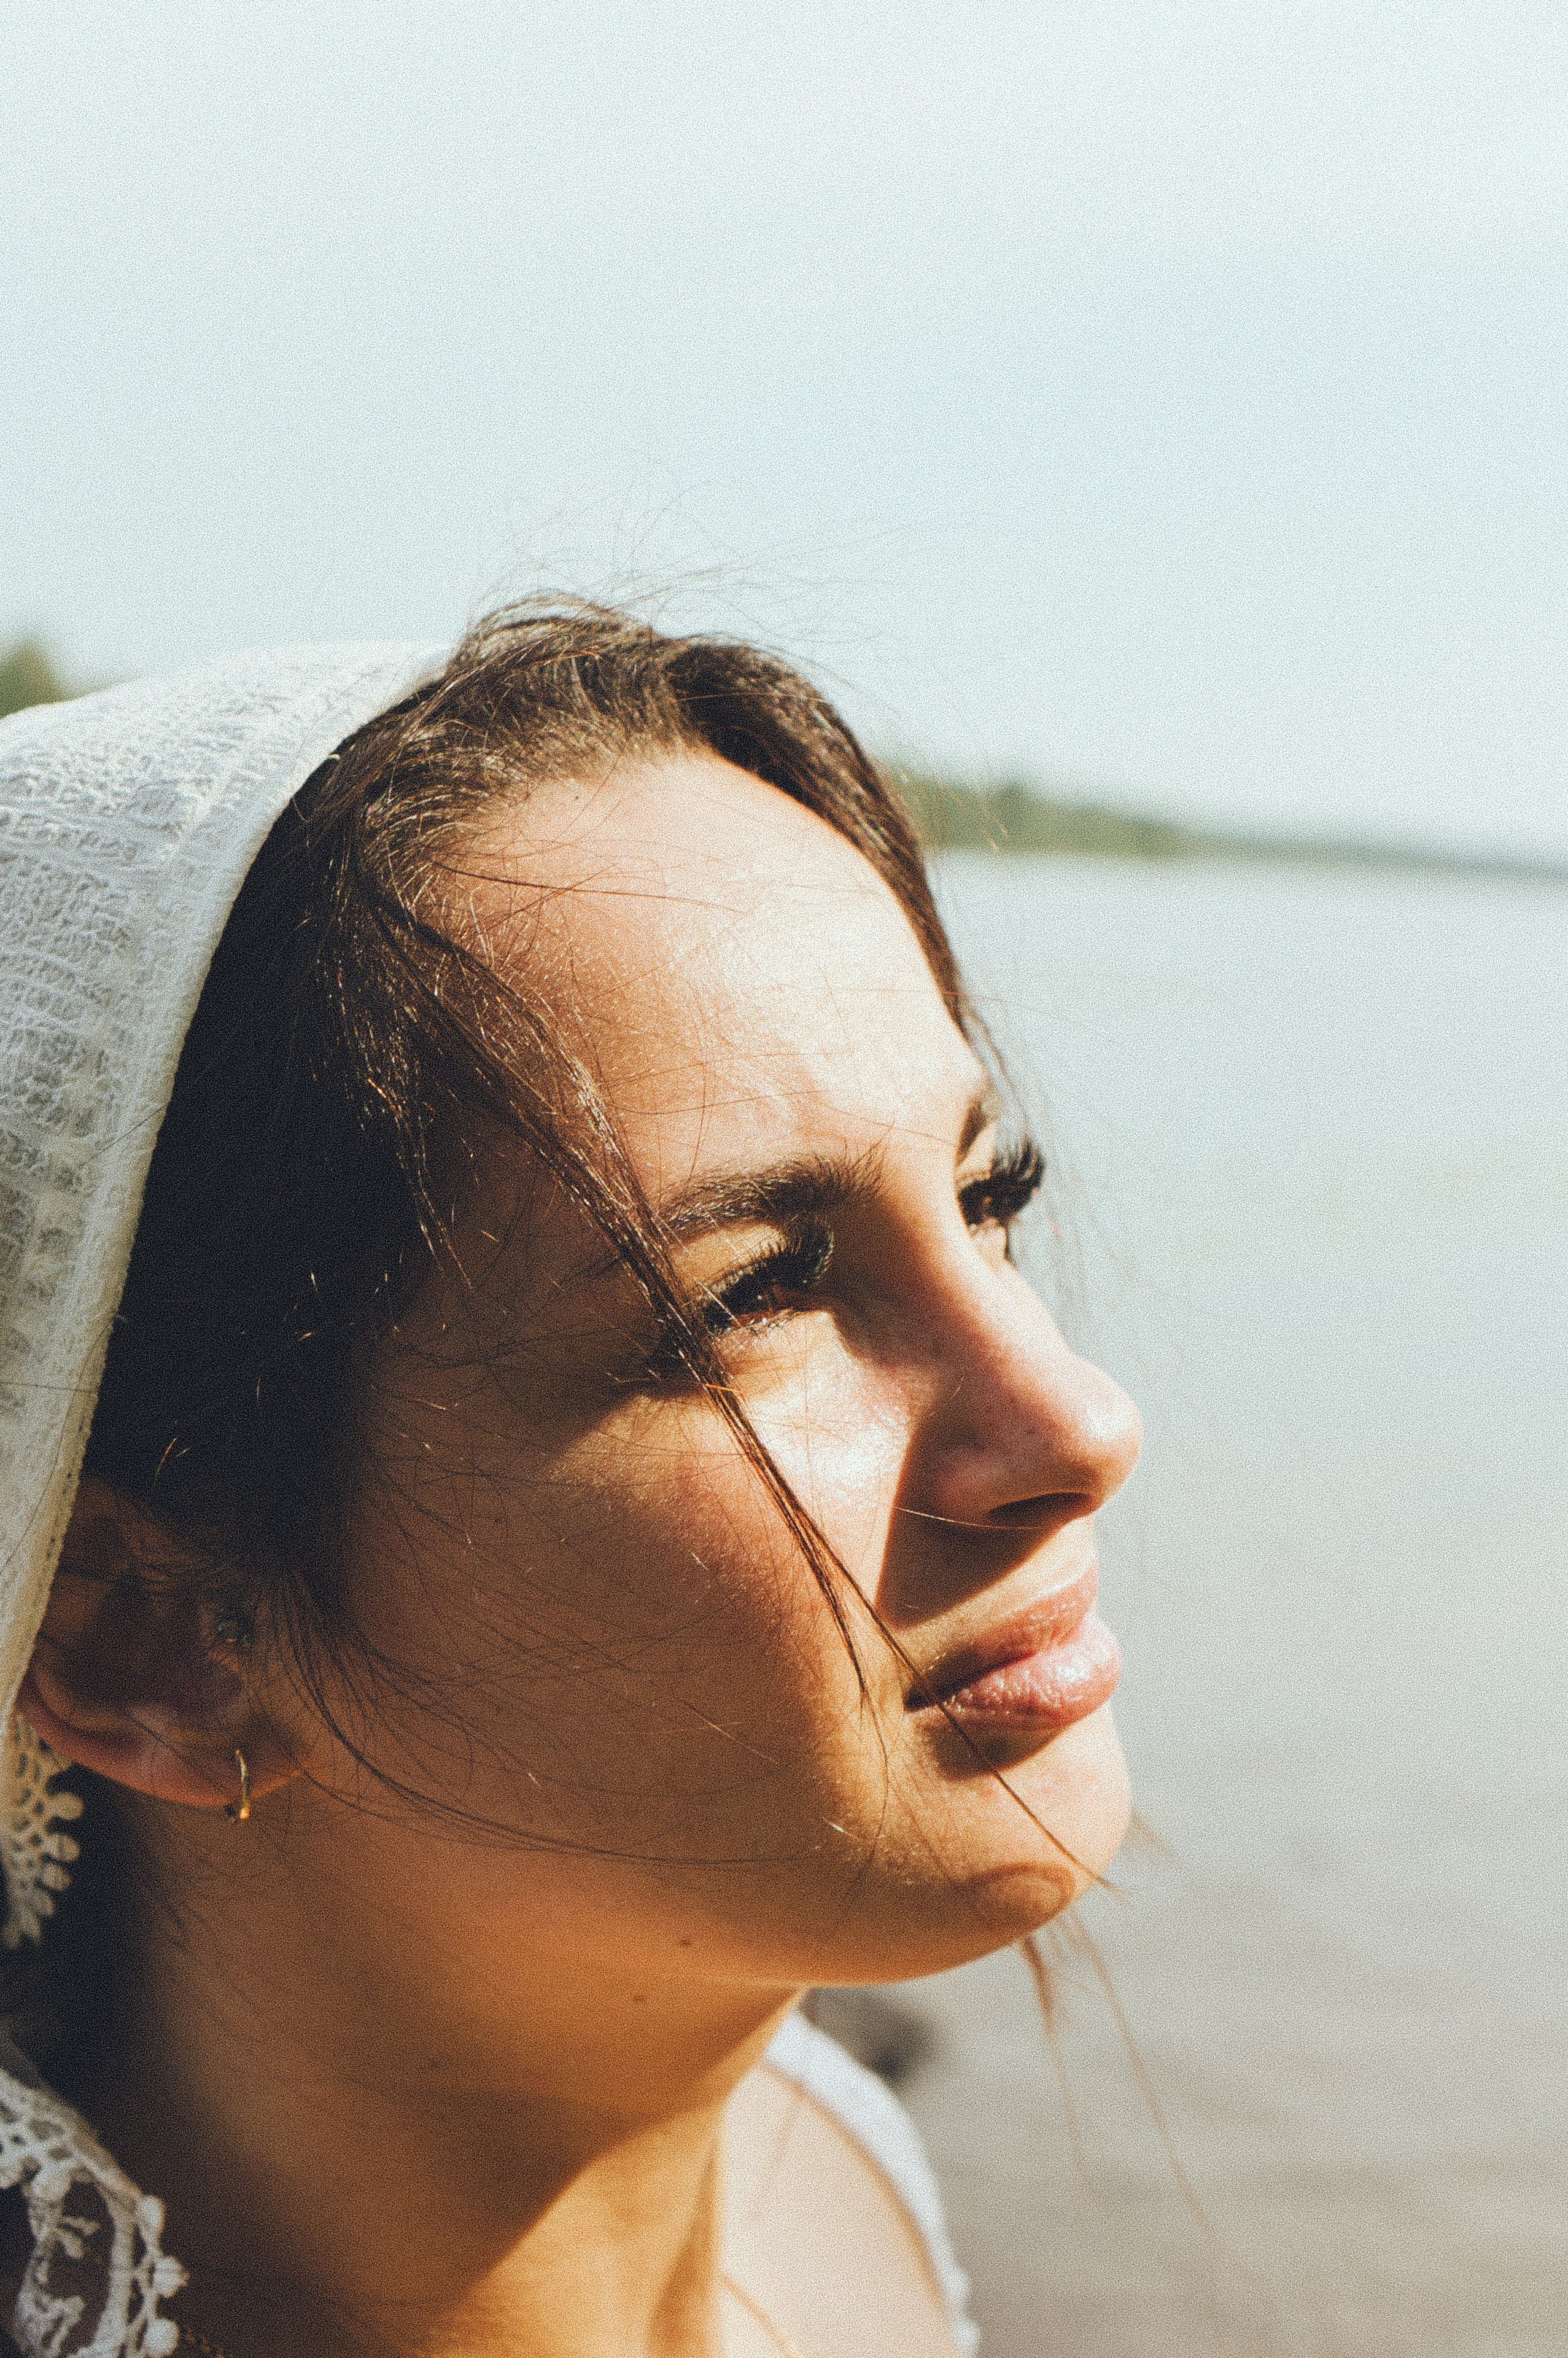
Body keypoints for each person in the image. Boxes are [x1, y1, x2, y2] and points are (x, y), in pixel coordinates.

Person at [0, 607, 1141, 2358]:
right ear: (153, 1637)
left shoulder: (826, 2171)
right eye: (753, 1295)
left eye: (987, 1196)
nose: (1079, 1425)